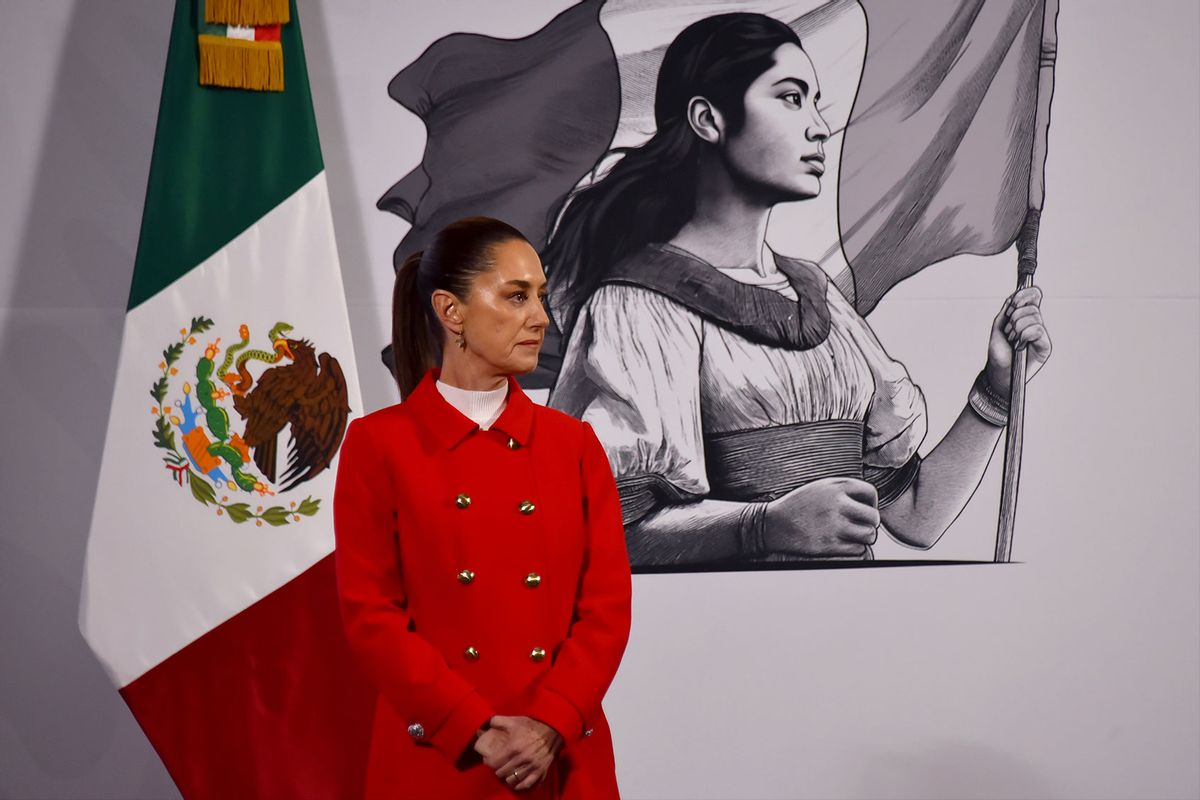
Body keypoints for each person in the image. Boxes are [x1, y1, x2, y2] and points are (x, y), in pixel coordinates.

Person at [544, 13, 1052, 567]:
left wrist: (997, 390)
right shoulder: (637, 306)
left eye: (815, 102)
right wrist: (763, 527)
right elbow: (603, 530)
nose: (817, 126)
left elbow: (916, 516)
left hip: (846, 630)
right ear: (707, 119)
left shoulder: (821, 298)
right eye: (790, 98)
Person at [334, 216, 632, 798]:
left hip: (562, 754)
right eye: (516, 296)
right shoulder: (379, 445)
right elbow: (371, 616)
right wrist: (471, 727)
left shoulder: (574, 444)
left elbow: (606, 607)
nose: (541, 318)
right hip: (443, 760)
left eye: (541, 297)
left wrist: (552, 720)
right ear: (451, 311)